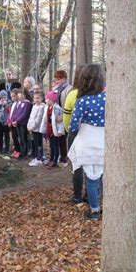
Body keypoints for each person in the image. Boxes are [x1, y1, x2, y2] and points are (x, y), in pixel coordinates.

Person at [67, 64, 106, 219]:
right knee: (101, 175)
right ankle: (101, 204)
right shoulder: (108, 98)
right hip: (105, 141)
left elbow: (72, 126)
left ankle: (95, 209)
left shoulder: (82, 101)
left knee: (91, 177)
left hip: (88, 142)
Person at [63, 65, 85, 204]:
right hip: (94, 134)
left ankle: (77, 195)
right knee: (91, 166)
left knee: (77, 166)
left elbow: (67, 118)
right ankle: (91, 194)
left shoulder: (72, 94)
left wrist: (68, 130)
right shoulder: (98, 94)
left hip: (75, 133)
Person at [53, 70, 72, 167]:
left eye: (58, 79)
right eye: (55, 79)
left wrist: (63, 115)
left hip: (66, 115)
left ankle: (68, 157)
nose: (56, 81)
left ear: (64, 79)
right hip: (57, 115)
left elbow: (69, 104)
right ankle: (63, 156)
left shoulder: (69, 89)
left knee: (67, 137)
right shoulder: (57, 88)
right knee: (60, 137)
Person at [41, 90, 65, 169]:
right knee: (51, 145)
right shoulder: (47, 107)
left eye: (46, 98)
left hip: (55, 130)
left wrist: (59, 130)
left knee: (55, 145)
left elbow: (60, 120)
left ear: (51, 99)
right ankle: (51, 158)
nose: (45, 100)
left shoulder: (57, 108)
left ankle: (55, 160)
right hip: (49, 129)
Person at [11, 88, 32, 159]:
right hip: (18, 124)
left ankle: (24, 154)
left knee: (24, 139)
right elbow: (15, 112)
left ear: (25, 94)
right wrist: (14, 121)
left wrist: (17, 121)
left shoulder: (27, 103)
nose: (19, 95)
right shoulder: (19, 102)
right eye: (19, 93)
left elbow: (24, 114)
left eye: (21, 93)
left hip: (23, 124)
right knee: (20, 139)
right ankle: (22, 152)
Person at [27, 91, 46, 167]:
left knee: (39, 143)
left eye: (38, 98)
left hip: (38, 129)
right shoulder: (34, 106)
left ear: (42, 98)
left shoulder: (42, 107)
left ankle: (40, 158)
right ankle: (37, 156)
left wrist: (32, 127)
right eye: (35, 98)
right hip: (32, 128)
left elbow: (38, 119)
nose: (36, 100)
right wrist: (28, 125)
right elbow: (31, 116)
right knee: (35, 143)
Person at [8, 88, 21, 157]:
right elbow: (10, 113)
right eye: (11, 96)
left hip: (16, 123)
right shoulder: (13, 104)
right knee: (13, 137)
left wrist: (14, 121)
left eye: (14, 96)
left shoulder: (19, 103)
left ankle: (19, 151)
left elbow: (17, 113)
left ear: (17, 95)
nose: (12, 98)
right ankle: (16, 150)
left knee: (17, 137)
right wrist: (9, 121)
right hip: (12, 123)